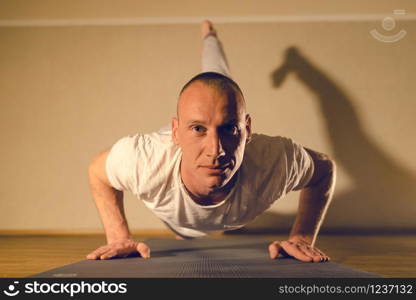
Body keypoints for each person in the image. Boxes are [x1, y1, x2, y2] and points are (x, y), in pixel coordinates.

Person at [86, 20, 336, 263]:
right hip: (177, 207)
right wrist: (118, 237)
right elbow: (98, 172)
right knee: (210, 93)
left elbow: (324, 169)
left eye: (230, 129)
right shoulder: (144, 161)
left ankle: (210, 37)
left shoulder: (275, 160)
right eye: (198, 129)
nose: (216, 150)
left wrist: (302, 238)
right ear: (176, 132)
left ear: (247, 130)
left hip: (207, 195)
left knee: (217, 84)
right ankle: (208, 55)